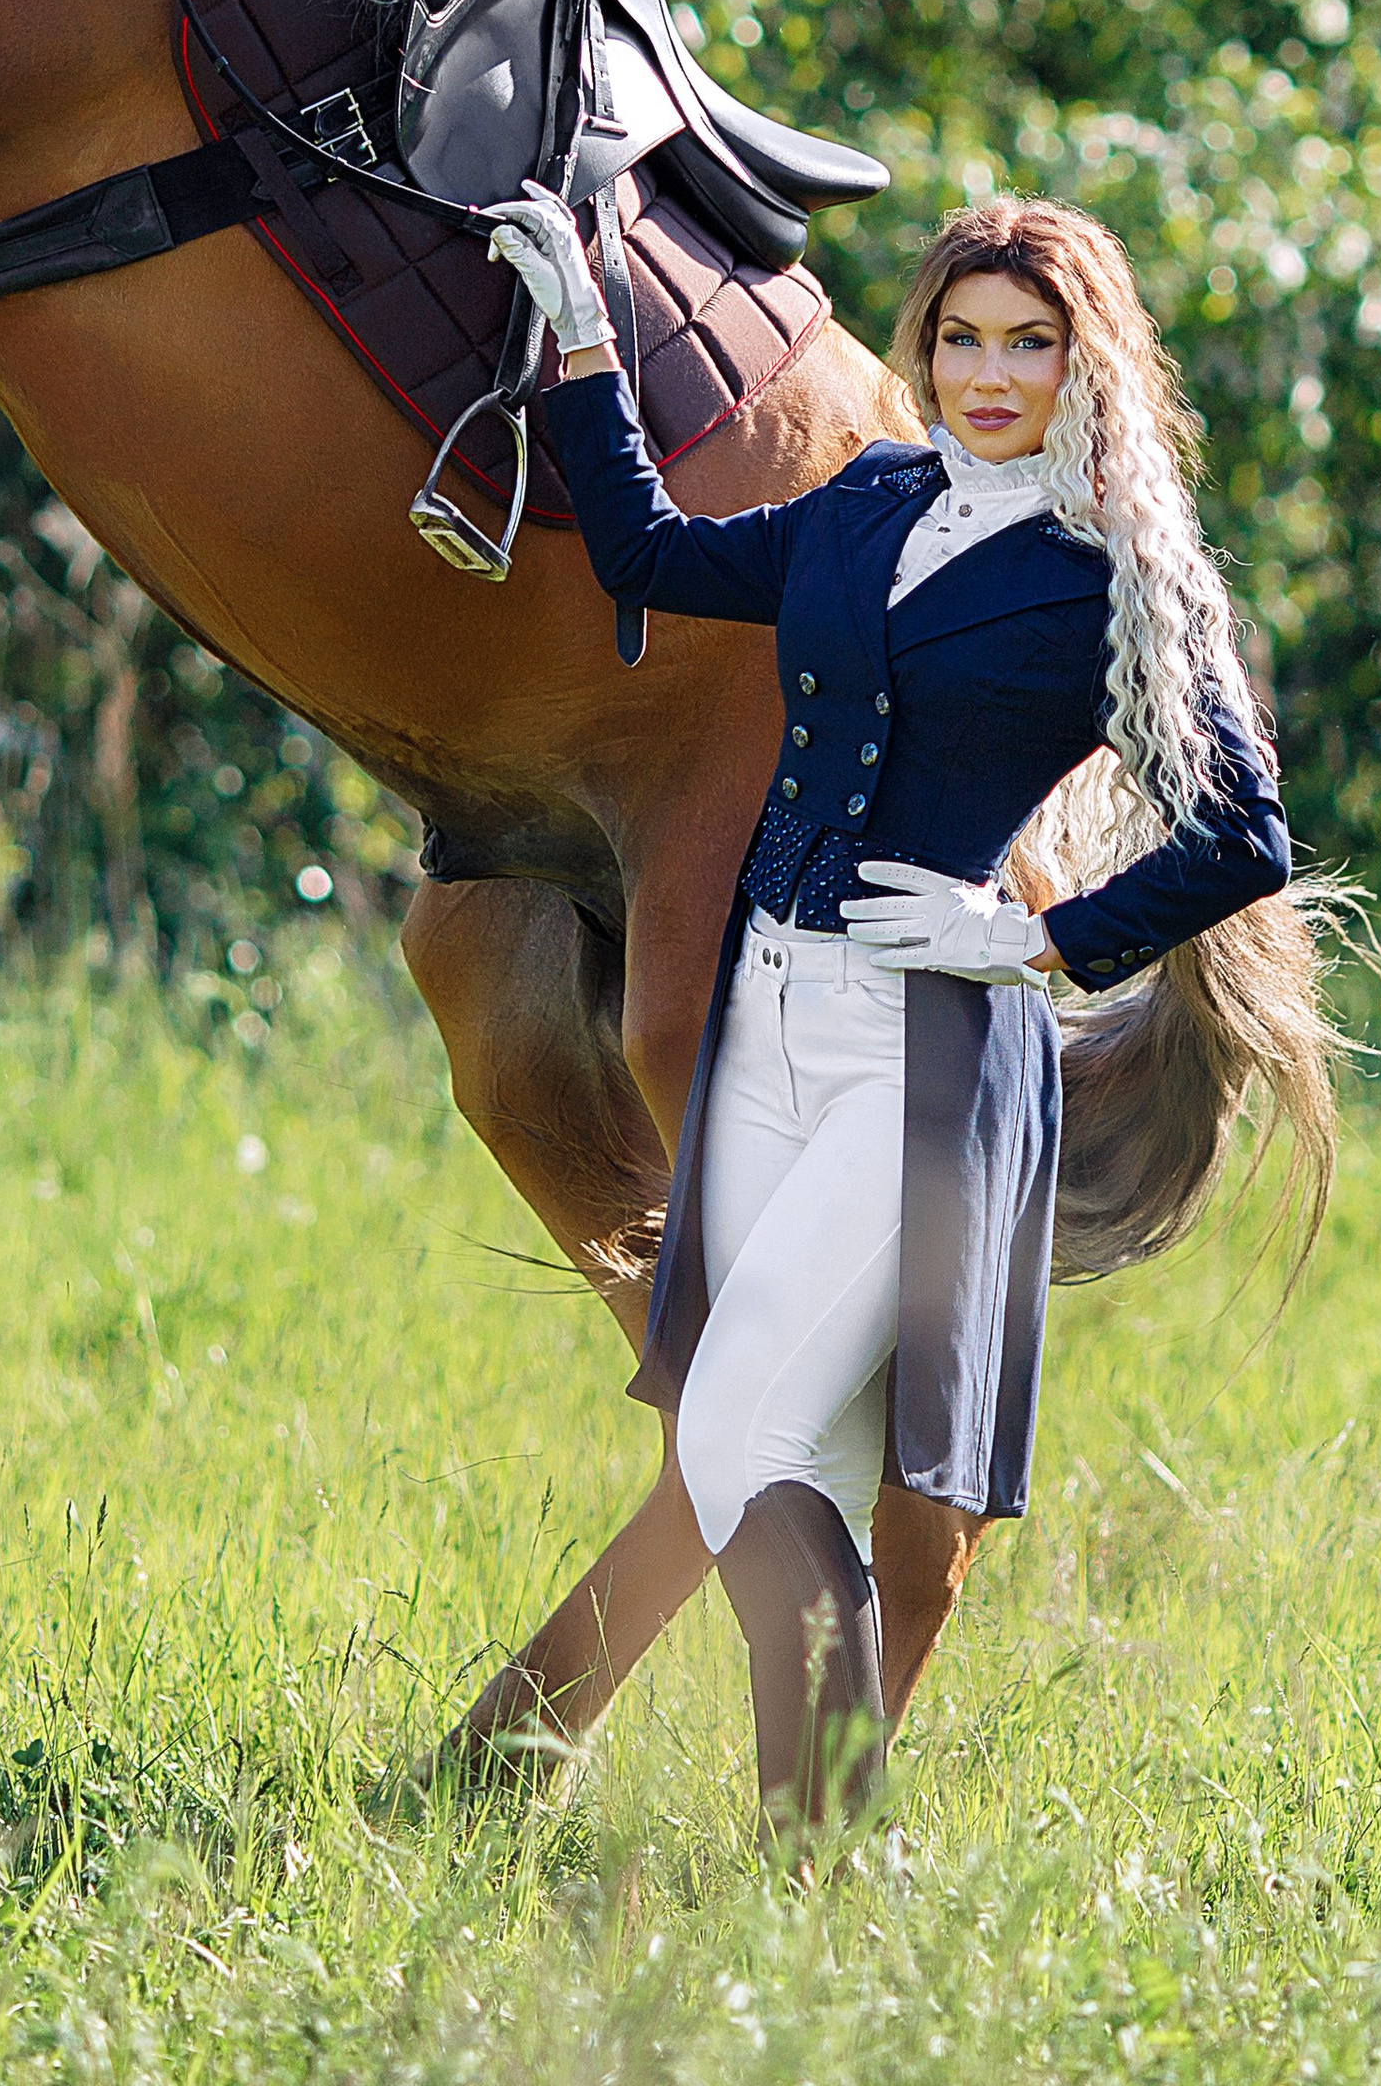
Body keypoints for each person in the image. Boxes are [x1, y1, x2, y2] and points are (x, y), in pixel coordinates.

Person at [483, 185, 1299, 1847]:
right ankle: (824, 1873)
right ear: (922, 348)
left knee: (735, 1425)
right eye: (961, 338)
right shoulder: (864, 503)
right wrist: (581, 342)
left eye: (1030, 344)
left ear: (1087, 363)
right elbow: (648, 556)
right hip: (765, 1022)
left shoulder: (1113, 574)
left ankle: (831, 1855)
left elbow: (1244, 836)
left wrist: (1040, 937)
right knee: (794, 1457)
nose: (990, 375)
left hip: (927, 1051)